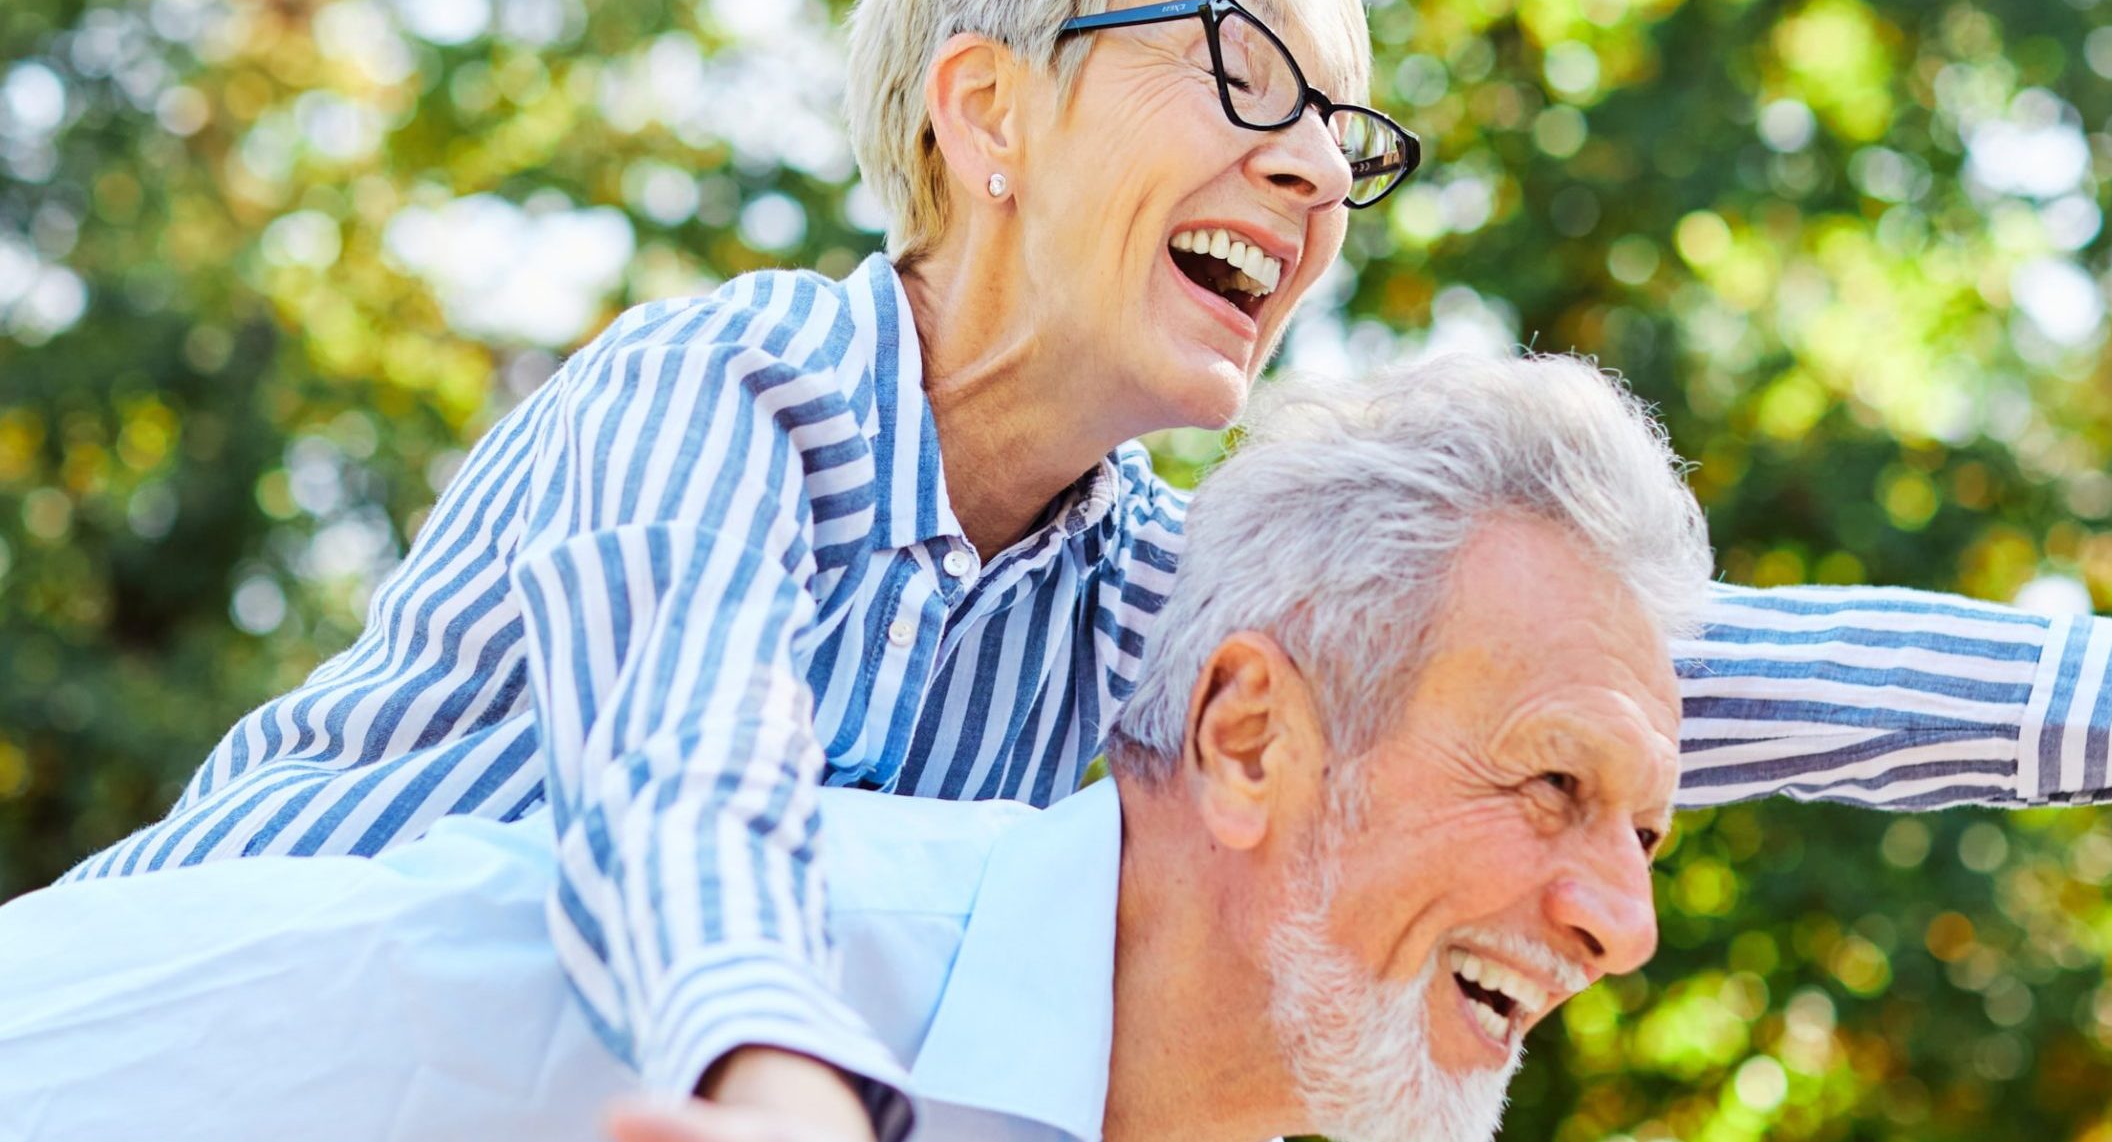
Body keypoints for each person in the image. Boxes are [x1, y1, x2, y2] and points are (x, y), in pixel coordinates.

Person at [48, 0, 2112, 1136]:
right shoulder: (732, 395)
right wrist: (784, 1103)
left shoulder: (1150, 594)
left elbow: (1681, 671)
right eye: (1248, 71)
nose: (1313, 169)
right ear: (984, 112)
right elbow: (680, 783)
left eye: (1349, 136)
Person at [0, 357, 1700, 1142]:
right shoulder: (531, 997)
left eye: (1648, 835)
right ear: (1248, 738)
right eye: (1554, 784)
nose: (1622, 922)